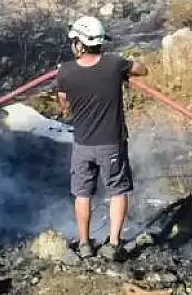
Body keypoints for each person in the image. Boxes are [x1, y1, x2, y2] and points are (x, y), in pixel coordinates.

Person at [55, 16, 148, 261]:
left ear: (79, 44)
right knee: (117, 191)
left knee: (82, 194)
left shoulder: (65, 71)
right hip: (112, 145)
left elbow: (64, 103)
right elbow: (142, 69)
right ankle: (113, 244)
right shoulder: (114, 64)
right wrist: (125, 70)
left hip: (83, 145)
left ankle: (85, 244)